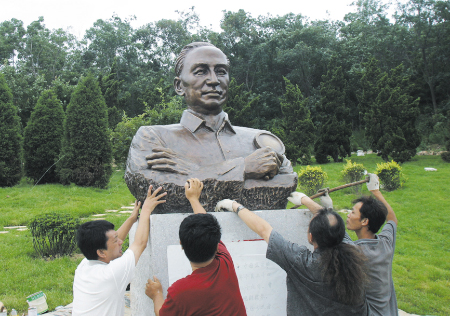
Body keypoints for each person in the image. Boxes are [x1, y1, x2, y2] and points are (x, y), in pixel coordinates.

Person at [125, 42, 297, 213]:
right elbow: (156, 191)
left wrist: (192, 173)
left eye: (221, 72)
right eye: (200, 71)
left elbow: (285, 185)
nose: (214, 80)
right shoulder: (153, 137)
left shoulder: (259, 141)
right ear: (179, 86)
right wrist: (242, 168)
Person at [215, 194, 369, 316]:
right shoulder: (353, 252)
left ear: (310, 237)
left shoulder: (303, 262)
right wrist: (305, 200)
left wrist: (234, 206)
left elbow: (265, 230)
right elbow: (330, 222)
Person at [145, 178, 247, 316]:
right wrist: (194, 199)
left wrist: (157, 294)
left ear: (181, 245)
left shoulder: (180, 291)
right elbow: (206, 225)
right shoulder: (225, 263)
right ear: (217, 246)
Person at [72, 186, 166, 316]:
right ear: (101, 252)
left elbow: (112, 242)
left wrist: (132, 219)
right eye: (116, 241)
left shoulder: (85, 265)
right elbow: (140, 244)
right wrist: (146, 209)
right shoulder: (111, 274)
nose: (121, 242)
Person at [345, 173, 398, 316]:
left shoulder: (355, 251)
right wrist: (375, 191)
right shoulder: (386, 243)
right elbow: (392, 219)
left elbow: (335, 231)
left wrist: (308, 201)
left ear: (364, 221)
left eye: (353, 212)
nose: (348, 215)